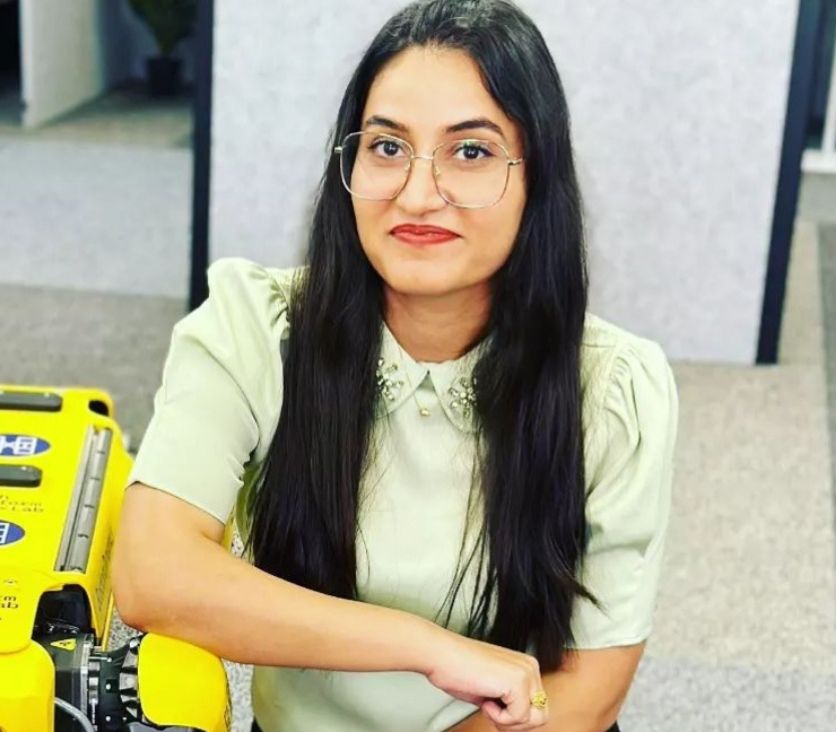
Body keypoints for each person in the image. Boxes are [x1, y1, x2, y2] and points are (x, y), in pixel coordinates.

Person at [112, 1, 678, 730]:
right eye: (387, 147)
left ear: (535, 178)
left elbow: (588, 688)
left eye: (470, 152)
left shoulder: (616, 386)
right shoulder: (253, 325)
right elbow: (152, 575)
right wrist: (425, 648)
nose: (417, 193)